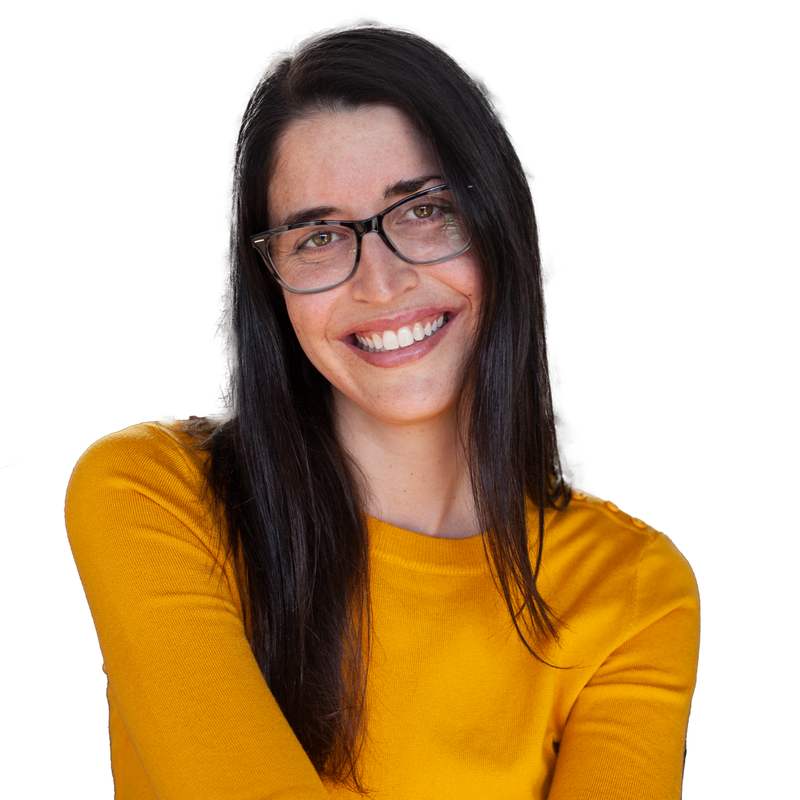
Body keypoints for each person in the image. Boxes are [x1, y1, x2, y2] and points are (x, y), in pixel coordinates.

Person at [63, 16, 701, 800]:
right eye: (319, 236)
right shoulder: (153, 496)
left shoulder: (633, 591)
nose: (381, 283)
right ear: (272, 282)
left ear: (497, 222)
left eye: (425, 210)